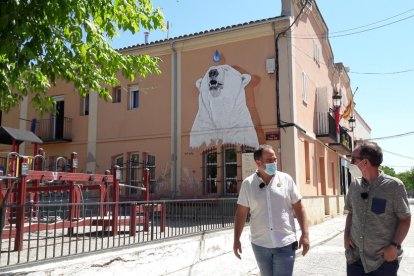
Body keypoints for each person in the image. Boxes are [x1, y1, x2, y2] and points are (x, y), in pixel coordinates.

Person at [233, 144, 309, 276]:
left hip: (285, 243)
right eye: (269, 161)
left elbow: (299, 207)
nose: (274, 163)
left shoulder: (286, 180)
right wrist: (236, 239)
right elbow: (241, 213)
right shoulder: (248, 184)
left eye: (275, 159)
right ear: (258, 163)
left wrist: (305, 234)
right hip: (260, 245)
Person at [344, 141, 411, 275]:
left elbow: (405, 219)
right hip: (355, 259)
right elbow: (351, 213)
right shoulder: (354, 186)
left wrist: (394, 246)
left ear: (365, 162)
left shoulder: (394, 186)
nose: (350, 162)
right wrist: (346, 236)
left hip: (383, 262)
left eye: (353, 159)